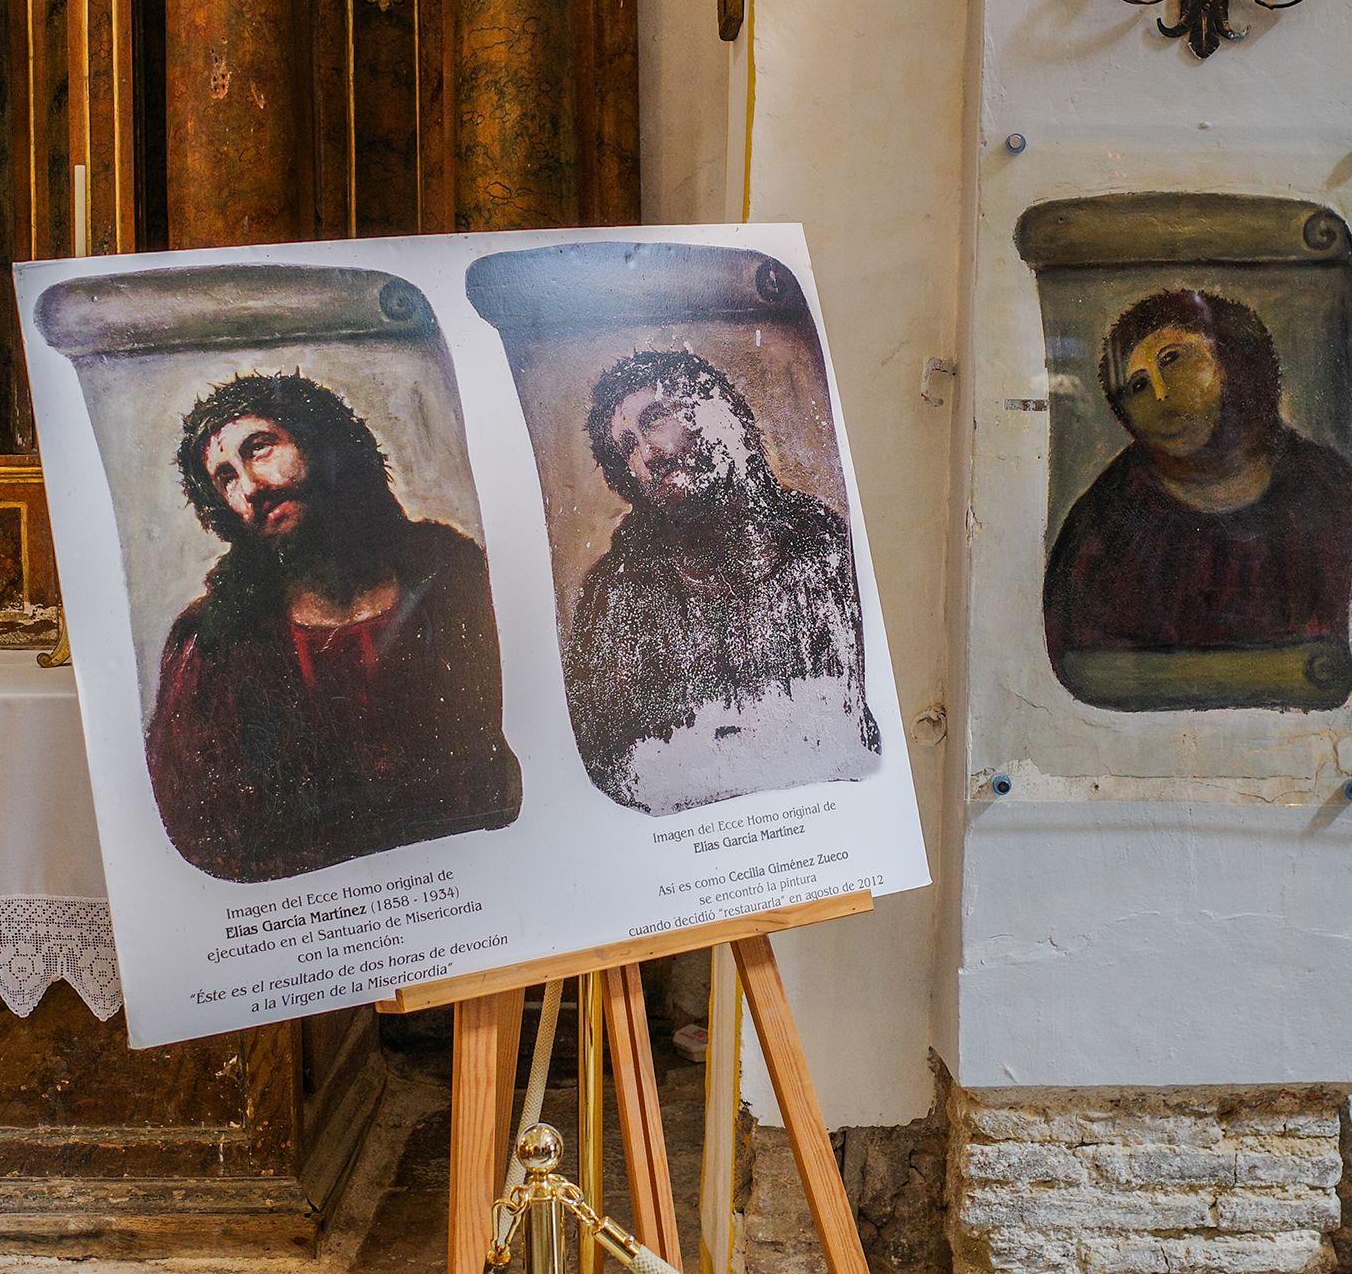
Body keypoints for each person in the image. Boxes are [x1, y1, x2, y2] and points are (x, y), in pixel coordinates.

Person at [146, 371, 520, 881]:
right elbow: (206, 826)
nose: (250, 487)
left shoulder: (450, 575)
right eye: (226, 478)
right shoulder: (214, 640)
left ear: (319, 442)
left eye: (259, 449)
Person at [564, 348, 880, 816]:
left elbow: (861, 722)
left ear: (713, 413)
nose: (646, 454)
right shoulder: (617, 590)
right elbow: (610, 761)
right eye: (628, 445)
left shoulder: (824, 542)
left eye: (653, 420)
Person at [1042, 288, 1352, 693]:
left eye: (1172, 360)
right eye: (1137, 386)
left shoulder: (1328, 488)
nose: (1160, 395)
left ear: (1232, 358)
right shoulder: (1106, 526)